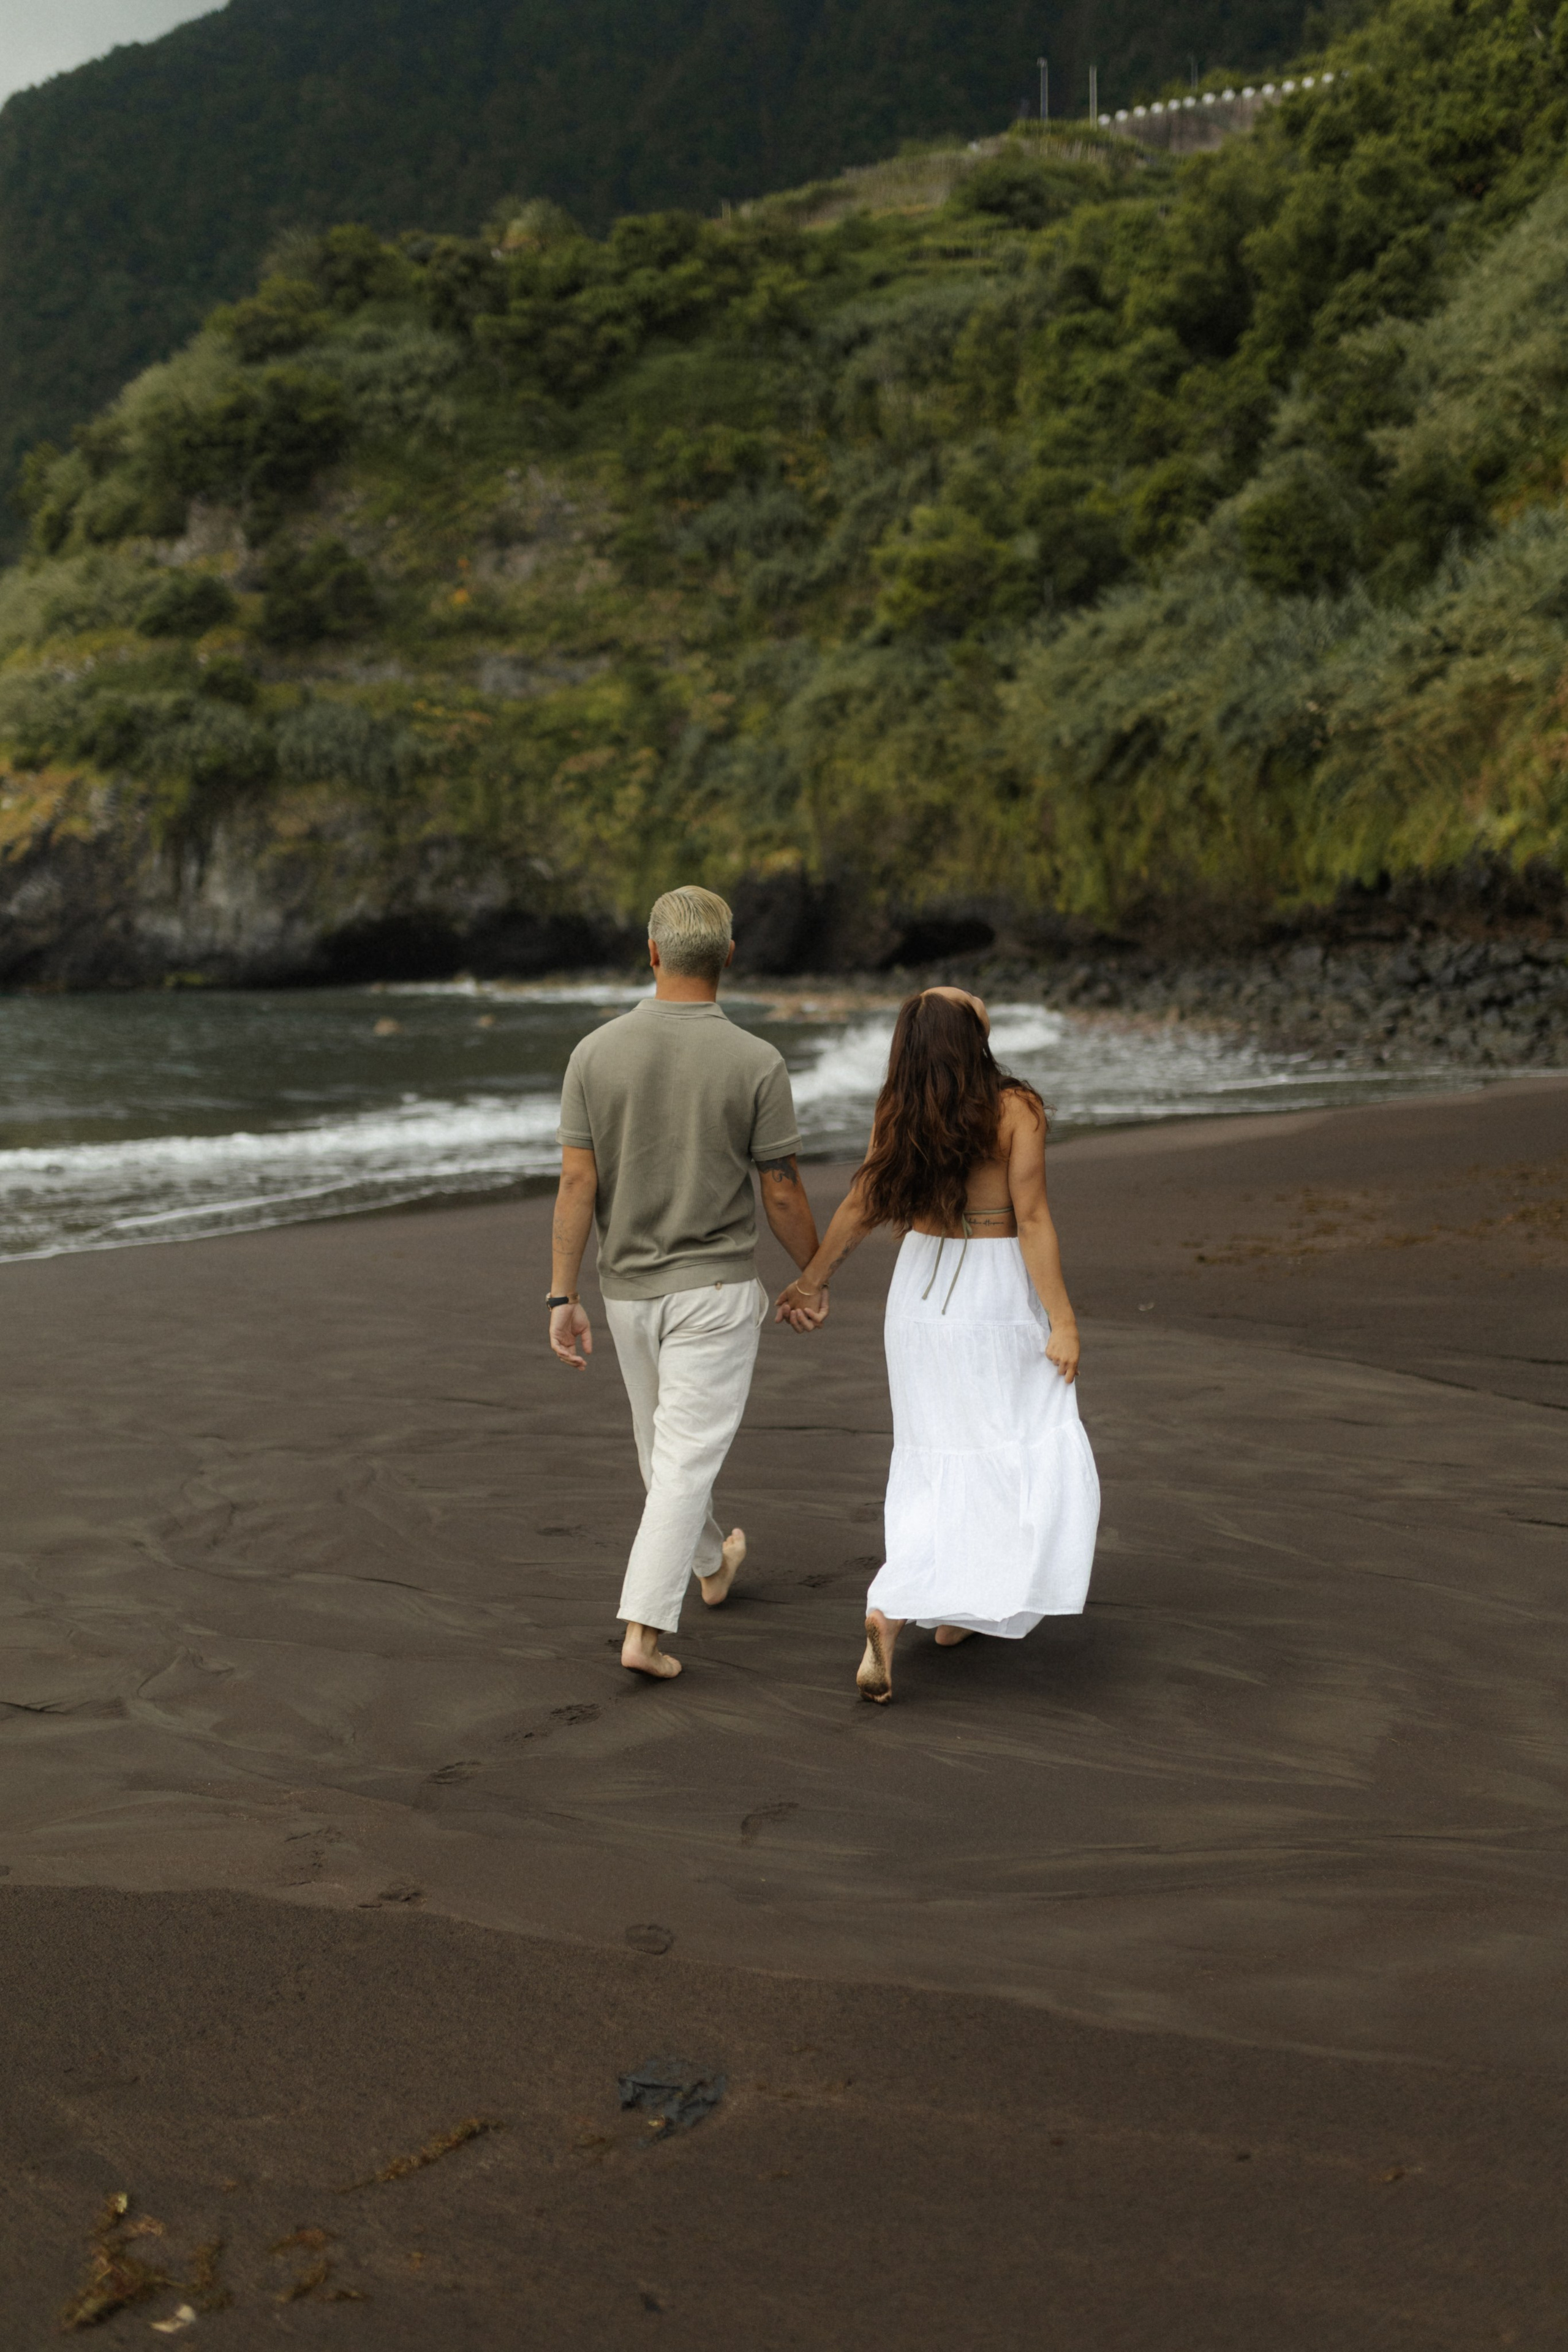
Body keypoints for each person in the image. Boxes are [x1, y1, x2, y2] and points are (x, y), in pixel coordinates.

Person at [778, 987, 1098, 1703]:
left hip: (918, 1292)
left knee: (933, 1452)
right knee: (1015, 1439)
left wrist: (812, 1281)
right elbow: (1035, 1217)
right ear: (973, 1038)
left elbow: (863, 1204)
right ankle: (952, 1593)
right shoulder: (1016, 1108)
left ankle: (910, 1612)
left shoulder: (899, 1109)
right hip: (991, 1288)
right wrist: (1063, 1320)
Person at [547, 886, 820, 1681]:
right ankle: (642, 1629)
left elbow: (574, 1185)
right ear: (729, 958)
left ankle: (711, 1567)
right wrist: (814, 1272)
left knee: (668, 1454)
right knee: (680, 1457)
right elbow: (780, 1189)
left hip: (626, 1291)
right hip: (715, 1292)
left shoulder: (593, 1054)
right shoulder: (757, 1061)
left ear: (654, 952)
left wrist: (563, 1297)